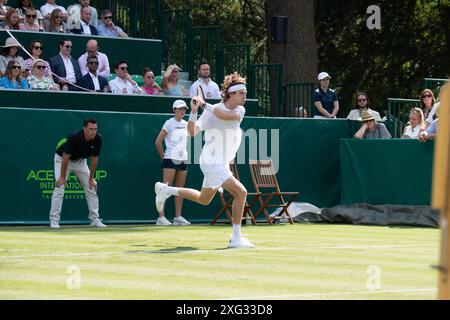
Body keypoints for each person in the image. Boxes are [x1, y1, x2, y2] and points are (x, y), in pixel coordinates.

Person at [154, 72, 255, 248]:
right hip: (211, 161)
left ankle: (166, 190)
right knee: (241, 193)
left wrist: (203, 104)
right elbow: (192, 132)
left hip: (220, 162)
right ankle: (236, 237)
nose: (245, 97)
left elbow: (225, 116)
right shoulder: (210, 112)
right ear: (231, 94)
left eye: (245, 94)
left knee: (203, 199)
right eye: (241, 93)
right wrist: (193, 112)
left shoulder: (239, 110)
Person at [49, 118, 106, 229]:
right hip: (62, 159)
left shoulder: (98, 139)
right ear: (84, 129)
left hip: (80, 161)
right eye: (90, 129)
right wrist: (62, 177)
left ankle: (95, 219)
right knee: (59, 188)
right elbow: (66, 157)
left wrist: (91, 179)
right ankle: (54, 221)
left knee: (92, 187)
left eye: (95, 129)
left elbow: (94, 159)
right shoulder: (74, 137)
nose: (93, 132)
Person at [154, 100, 191, 226]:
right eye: (180, 109)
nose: (182, 111)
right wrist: (163, 157)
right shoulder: (169, 123)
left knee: (180, 190)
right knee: (165, 189)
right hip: (170, 158)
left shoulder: (187, 124)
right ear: (174, 109)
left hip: (183, 158)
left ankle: (178, 217)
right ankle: (161, 217)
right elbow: (158, 142)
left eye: (184, 109)